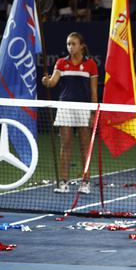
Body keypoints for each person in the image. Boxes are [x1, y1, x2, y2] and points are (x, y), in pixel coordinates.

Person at [42, 32, 98, 194]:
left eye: (73, 44)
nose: (70, 47)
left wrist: (93, 113)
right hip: (65, 108)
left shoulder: (90, 64)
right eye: (68, 44)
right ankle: (63, 182)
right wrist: (46, 81)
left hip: (83, 109)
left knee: (84, 147)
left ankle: (85, 182)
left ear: (81, 46)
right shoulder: (61, 63)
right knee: (65, 146)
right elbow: (52, 82)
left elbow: (94, 92)